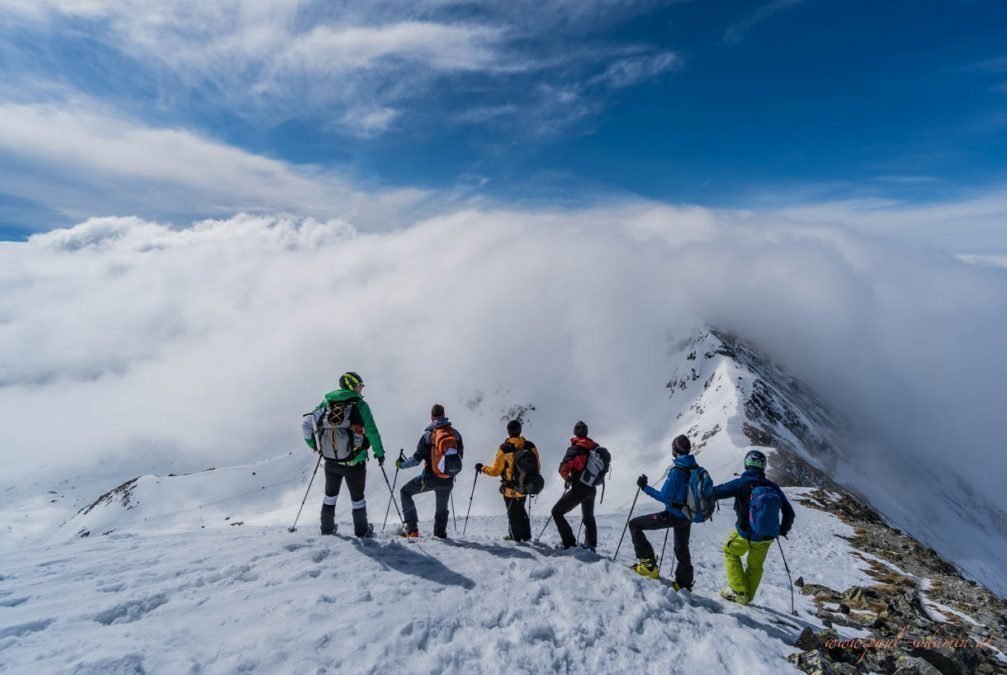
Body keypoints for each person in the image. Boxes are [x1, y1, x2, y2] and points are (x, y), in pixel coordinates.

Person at [301, 371, 385, 537]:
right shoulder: (360, 405)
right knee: (357, 498)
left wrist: (314, 446)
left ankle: (327, 529)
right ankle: (362, 532)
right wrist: (379, 453)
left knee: (330, 496)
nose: (362, 388)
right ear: (352, 386)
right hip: (355, 462)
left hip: (331, 462)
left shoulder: (326, 402)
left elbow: (306, 424)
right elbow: (372, 431)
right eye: (360, 385)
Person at [713, 449, 795, 605]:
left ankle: (738, 591)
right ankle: (747, 596)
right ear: (763, 467)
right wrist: (782, 530)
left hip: (744, 533)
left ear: (746, 464)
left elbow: (715, 492)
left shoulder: (741, 483)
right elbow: (789, 513)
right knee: (755, 565)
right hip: (766, 537)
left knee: (730, 551)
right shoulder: (773, 487)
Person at [629, 435, 697, 590]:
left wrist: (644, 487)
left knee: (635, 525)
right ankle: (684, 583)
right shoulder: (694, 467)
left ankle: (648, 566)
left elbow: (664, 497)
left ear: (675, 449)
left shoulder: (677, 471)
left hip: (674, 515)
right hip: (688, 515)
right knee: (682, 547)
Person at [396, 404, 464, 539]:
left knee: (405, 492)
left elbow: (416, 460)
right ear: (444, 415)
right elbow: (460, 456)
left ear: (432, 417)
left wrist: (402, 465)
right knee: (441, 508)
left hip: (429, 479)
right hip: (448, 479)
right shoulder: (455, 434)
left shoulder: (428, 436)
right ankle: (440, 534)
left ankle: (412, 529)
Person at [475, 419, 541, 542]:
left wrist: (482, 467)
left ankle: (515, 538)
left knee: (513, 513)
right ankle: (526, 536)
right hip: (525, 486)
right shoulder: (530, 446)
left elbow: (495, 471)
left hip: (510, 488)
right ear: (520, 431)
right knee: (521, 510)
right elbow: (537, 466)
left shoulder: (504, 448)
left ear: (508, 432)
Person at [551, 421, 600, 551]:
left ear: (575, 432)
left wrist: (569, 479)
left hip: (579, 488)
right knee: (588, 516)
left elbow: (563, 469)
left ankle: (569, 543)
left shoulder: (575, 449)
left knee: (556, 512)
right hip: (592, 488)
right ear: (586, 432)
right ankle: (591, 544)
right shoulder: (594, 447)